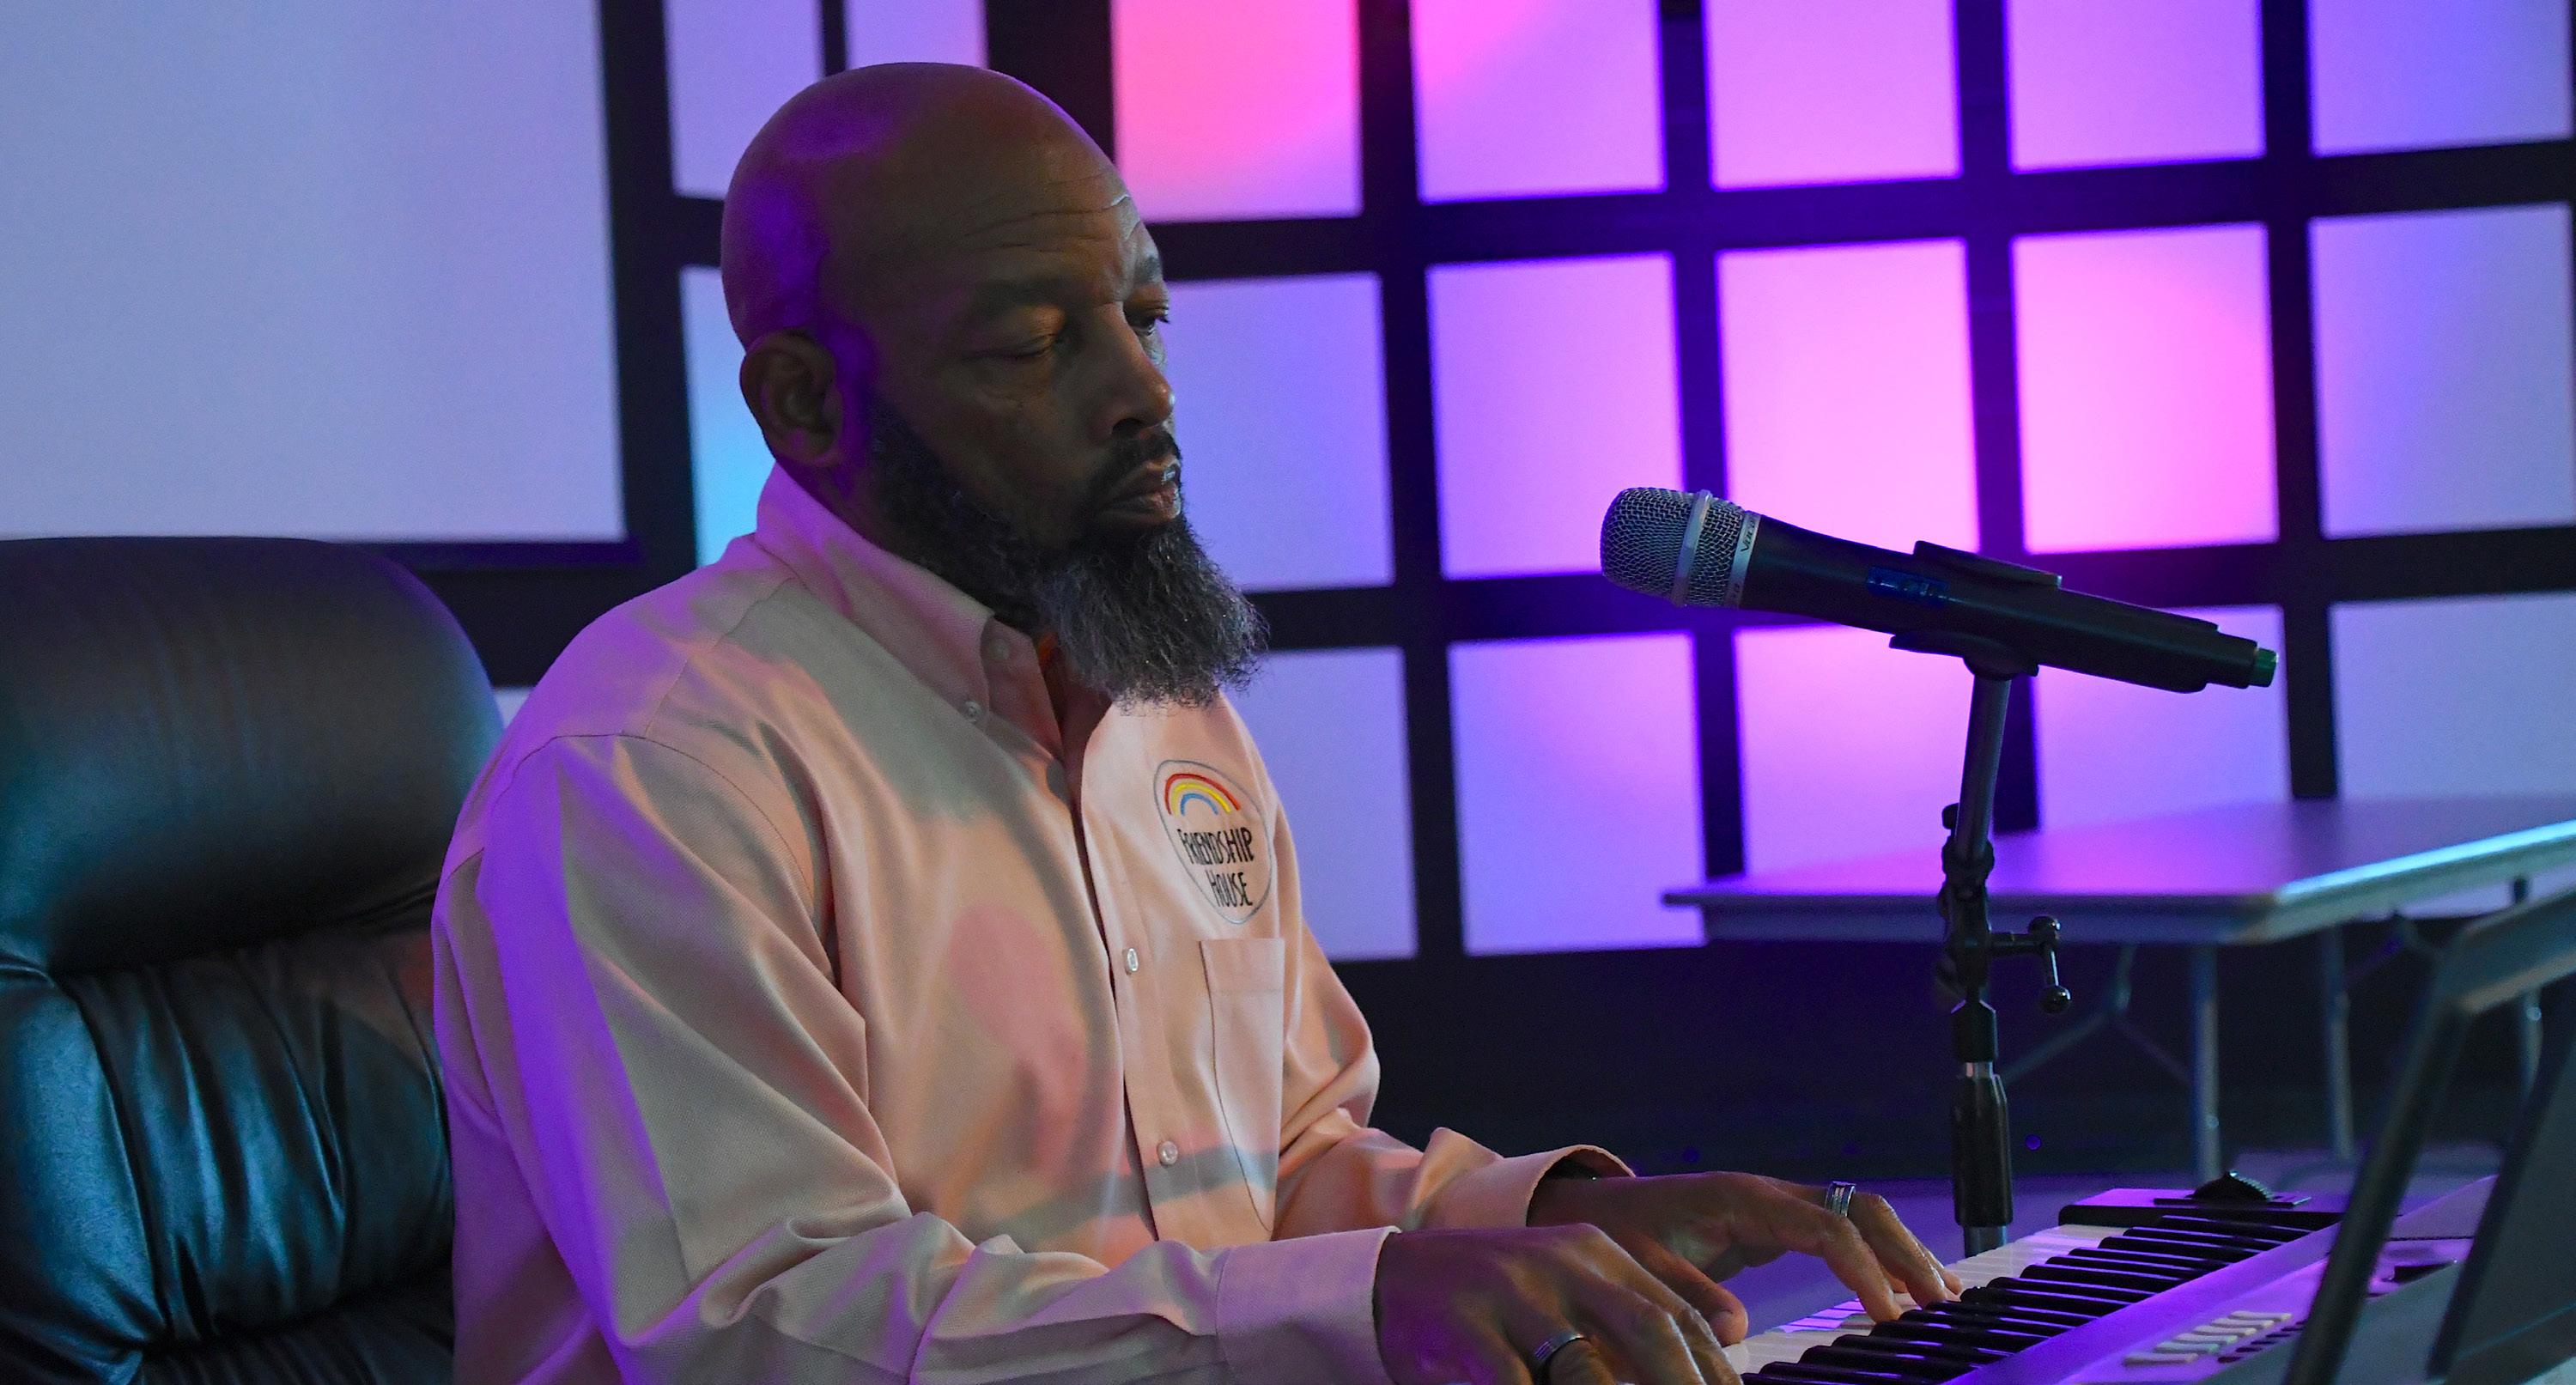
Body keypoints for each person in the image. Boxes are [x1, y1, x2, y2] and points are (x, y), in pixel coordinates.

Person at [430, 62, 1959, 1385]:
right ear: (807, 404)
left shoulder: (1161, 703)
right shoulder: (658, 767)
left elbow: (1274, 1173)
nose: (1141, 394)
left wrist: (1552, 1221)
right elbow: (765, 1325)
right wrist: (1364, 1304)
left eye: (1143, 317)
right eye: (1035, 345)